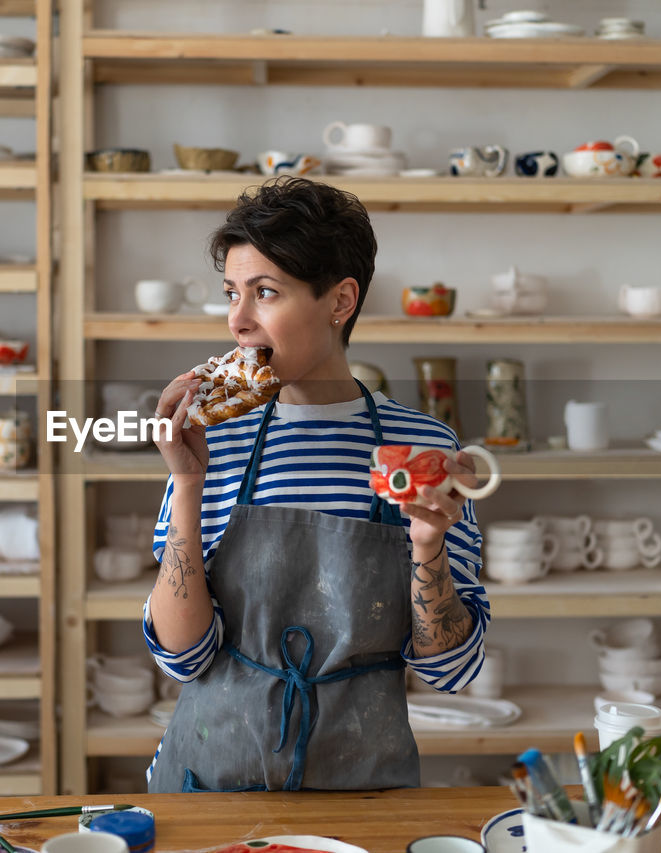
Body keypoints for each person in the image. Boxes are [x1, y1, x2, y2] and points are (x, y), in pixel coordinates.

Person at [141, 177, 489, 793]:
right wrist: (188, 483)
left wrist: (430, 543)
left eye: (265, 293)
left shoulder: (424, 451)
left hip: (363, 795)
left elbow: (452, 671)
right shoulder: (210, 441)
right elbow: (181, 656)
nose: (238, 322)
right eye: (232, 294)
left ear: (340, 301)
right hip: (211, 787)